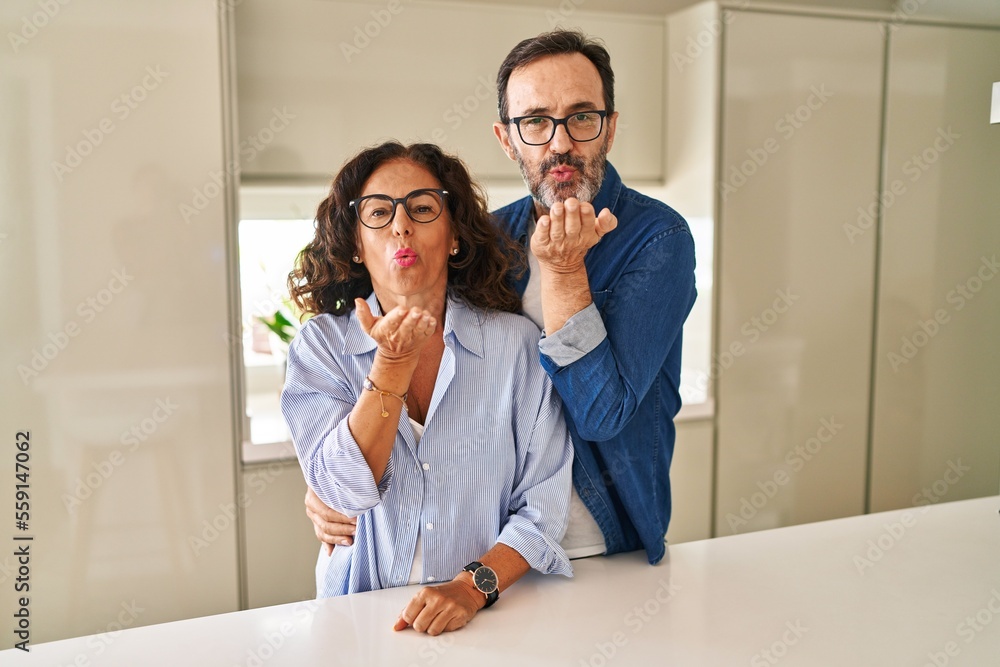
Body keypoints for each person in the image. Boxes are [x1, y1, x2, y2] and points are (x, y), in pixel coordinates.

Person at [306, 29, 696, 566]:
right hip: (485, 548)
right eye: (535, 121)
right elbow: (437, 373)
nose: (560, 143)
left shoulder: (658, 240)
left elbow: (603, 415)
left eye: (582, 117)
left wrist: (564, 272)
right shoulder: (488, 237)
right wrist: (329, 483)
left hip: (602, 545)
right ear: (507, 138)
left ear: (609, 128)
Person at [282, 141, 574, 636]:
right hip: (358, 622)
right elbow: (341, 489)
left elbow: (543, 509)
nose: (401, 226)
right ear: (355, 242)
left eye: (421, 208)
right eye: (378, 212)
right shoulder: (320, 347)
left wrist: (471, 587)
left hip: (489, 619)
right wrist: (392, 365)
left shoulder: (517, 346)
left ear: (454, 234)